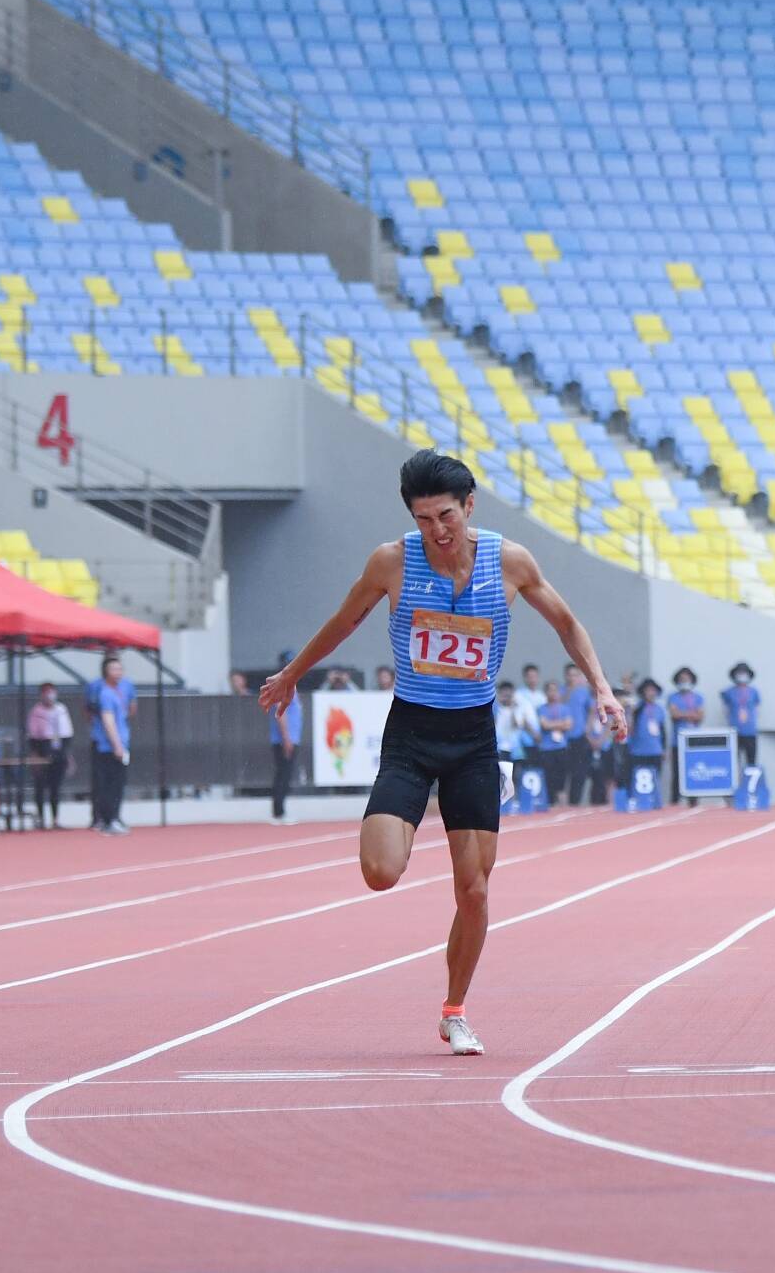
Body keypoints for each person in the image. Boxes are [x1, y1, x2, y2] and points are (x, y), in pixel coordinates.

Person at [259, 449, 624, 1057]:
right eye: (424, 519)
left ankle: (454, 1011)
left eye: (446, 516)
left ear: (469, 506)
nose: (437, 530)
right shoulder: (391, 562)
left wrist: (603, 689)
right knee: (380, 872)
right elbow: (345, 621)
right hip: (411, 733)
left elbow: (566, 623)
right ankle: (409, 822)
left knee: (474, 890)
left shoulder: (509, 561)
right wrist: (293, 673)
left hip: (474, 739)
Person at [89, 651, 134, 835]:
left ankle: (114, 817)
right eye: (114, 669)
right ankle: (109, 819)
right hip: (109, 746)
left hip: (120, 742)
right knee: (110, 784)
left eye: (119, 669)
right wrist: (117, 745)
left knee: (118, 783)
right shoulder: (106, 694)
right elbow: (108, 720)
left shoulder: (120, 692)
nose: (118, 672)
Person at [24, 682, 73, 829]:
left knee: (55, 787)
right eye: (46, 692)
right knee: (40, 786)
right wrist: (36, 754)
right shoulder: (36, 711)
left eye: (51, 692)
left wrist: (67, 755)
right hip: (43, 750)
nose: (49, 696)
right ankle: (40, 818)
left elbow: (67, 734)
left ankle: (55, 819)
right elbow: (33, 736)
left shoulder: (61, 709)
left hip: (59, 750)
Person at [625, 676, 669, 803]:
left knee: (655, 778)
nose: (651, 693)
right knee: (636, 778)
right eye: (648, 690)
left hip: (655, 750)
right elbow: (630, 726)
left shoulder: (659, 709)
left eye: (653, 690)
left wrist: (664, 749)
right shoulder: (637, 708)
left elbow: (662, 730)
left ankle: (654, 801)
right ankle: (635, 800)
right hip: (638, 750)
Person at [667, 667, 707, 805]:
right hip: (677, 740)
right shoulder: (673, 697)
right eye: (682, 679)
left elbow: (700, 716)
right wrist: (691, 714)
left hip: (694, 741)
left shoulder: (698, 697)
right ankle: (675, 800)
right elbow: (674, 714)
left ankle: (693, 800)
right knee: (677, 772)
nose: (684, 681)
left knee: (693, 770)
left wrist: (683, 714)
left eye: (687, 679)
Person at [535, 678, 577, 806]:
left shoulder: (565, 708)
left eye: (555, 690)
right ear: (546, 692)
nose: (553, 693)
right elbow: (544, 725)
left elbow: (569, 725)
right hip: (547, 748)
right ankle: (550, 801)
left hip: (561, 747)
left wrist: (552, 724)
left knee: (562, 776)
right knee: (548, 776)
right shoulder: (541, 708)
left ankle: (562, 802)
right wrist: (560, 723)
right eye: (550, 690)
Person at [720, 662, 762, 784]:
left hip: (750, 731)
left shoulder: (754, 691)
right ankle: (734, 786)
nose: (742, 675)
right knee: (734, 761)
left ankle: (751, 787)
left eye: (744, 673)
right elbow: (725, 709)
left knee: (751, 761)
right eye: (739, 673)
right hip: (734, 731)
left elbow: (757, 708)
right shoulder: (728, 692)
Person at [267, 672, 301, 821]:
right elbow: (281, 713)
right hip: (284, 739)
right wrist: (286, 738)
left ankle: (279, 810)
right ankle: (278, 812)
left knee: (285, 775)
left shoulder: (292, 688)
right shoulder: (284, 688)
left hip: (291, 738)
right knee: (283, 775)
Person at [577, 686, 616, 805]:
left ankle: (608, 801)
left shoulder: (609, 702)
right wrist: (591, 740)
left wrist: (601, 741)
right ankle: (594, 801)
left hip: (605, 746)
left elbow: (610, 725)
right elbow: (586, 726)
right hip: (590, 746)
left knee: (606, 776)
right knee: (593, 776)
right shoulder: (587, 702)